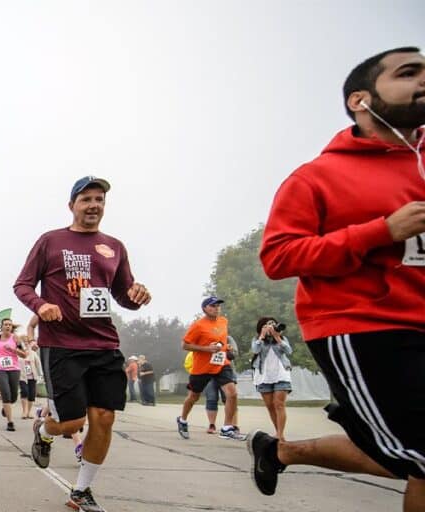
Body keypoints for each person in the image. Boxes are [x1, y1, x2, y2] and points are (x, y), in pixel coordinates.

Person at [252, 48, 425, 510]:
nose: (423, 80)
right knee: (419, 457)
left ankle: (282, 451)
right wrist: (381, 231)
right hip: (368, 327)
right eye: (409, 73)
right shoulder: (316, 178)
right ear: (360, 100)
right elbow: (278, 257)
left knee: (406, 459)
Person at [15, 176, 152, 511]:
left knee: (104, 417)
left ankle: (81, 491)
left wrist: (137, 296)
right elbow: (22, 285)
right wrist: (40, 306)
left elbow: (123, 294)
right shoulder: (50, 241)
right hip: (61, 345)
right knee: (71, 423)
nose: (94, 205)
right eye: (86, 199)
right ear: (72, 205)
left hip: (104, 345)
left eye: (99, 200)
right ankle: (44, 431)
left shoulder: (115, 247)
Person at [175, 297, 243, 441]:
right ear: (205, 308)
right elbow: (185, 345)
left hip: (221, 363)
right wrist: (207, 349)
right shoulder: (198, 325)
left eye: (218, 306)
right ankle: (182, 419)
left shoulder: (223, 321)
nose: (217, 308)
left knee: (232, 394)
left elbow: (221, 340)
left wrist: (226, 348)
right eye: (213, 306)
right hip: (202, 367)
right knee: (193, 397)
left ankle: (227, 428)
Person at [251, 317, 292, 441]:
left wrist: (277, 337)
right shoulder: (257, 339)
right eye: (267, 325)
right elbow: (255, 350)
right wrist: (262, 336)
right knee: (270, 406)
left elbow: (288, 351)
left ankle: (280, 435)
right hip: (263, 376)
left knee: (279, 404)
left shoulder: (282, 339)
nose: (271, 327)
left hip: (281, 374)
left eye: (273, 324)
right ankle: (278, 432)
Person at [0, 319, 28, 431]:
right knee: (6, 393)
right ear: (2, 327)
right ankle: (10, 422)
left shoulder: (16, 338)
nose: (8, 326)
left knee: (13, 397)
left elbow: (24, 355)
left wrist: (13, 349)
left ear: (11, 327)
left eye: (10, 325)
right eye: (6, 324)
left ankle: (6, 408)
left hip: (14, 369)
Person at [19, 338, 43, 420]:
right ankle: (24, 412)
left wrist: (41, 375)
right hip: (22, 376)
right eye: (23, 342)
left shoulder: (33, 353)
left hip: (32, 377)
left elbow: (38, 364)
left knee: (32, 395)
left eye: (27, 342)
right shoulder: (18, 352)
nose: (25, 343)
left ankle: (29, 412)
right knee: (24, 392)